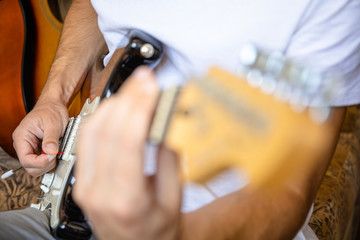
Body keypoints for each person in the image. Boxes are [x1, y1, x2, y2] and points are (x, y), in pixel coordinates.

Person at [1, 0, 359, 239]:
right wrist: (53, 97)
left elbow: (288, 193)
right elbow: (94, 7)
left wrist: (173, 232)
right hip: (69, 210)